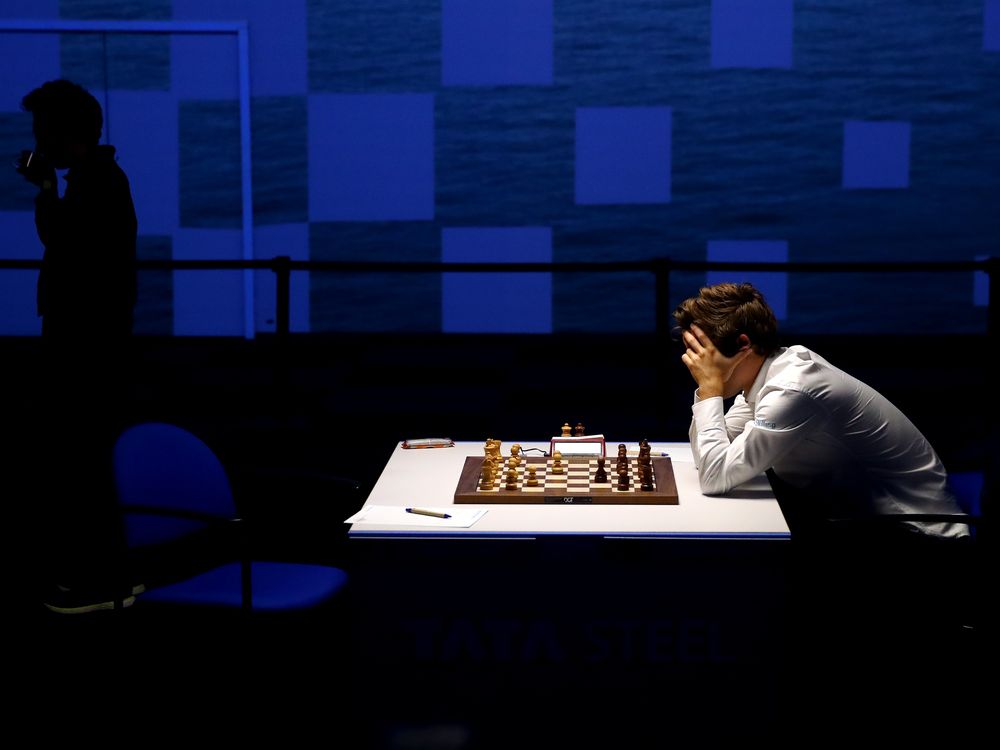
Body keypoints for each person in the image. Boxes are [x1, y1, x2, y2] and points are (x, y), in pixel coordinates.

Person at [674, 281, 967, 539]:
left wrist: (709, 389)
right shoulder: (762, 380)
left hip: (916, 534)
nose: (695, 363)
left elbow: (715, 478)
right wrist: (706, 392)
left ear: (743, 345)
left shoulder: (792, 388)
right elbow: (709, 461)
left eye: (702, 352)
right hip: (854, 521)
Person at [16, 79, 138, 613]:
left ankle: (99, 581)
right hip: (95, 348)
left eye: (43, 131)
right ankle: (106, 577)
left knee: (83, 465)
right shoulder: (102, 179)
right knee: (90, 464)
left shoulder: (96, 184)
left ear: (65, 135)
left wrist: (45, 191)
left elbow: (64, 245)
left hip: (83, 351)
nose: (38, 141)